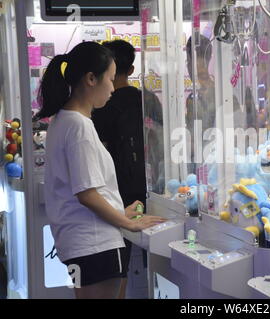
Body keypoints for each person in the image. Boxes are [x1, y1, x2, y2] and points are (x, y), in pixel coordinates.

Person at [35, 41, 166, 299]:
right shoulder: (79, 126)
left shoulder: (62, 121)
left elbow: (87, 190)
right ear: (91, 79)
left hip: (78, 243)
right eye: (109, 78)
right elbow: (87, 194)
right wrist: (126, 222)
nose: (112, 88)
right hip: (96, 245)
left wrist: (119, 211)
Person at [91, 40, 162, 298]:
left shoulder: (100, 106)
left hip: (115, 192)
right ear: (131, 70)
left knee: (118, 264)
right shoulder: (148, 99)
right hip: (153, 188)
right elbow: (160, 144)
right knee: (157, 258)